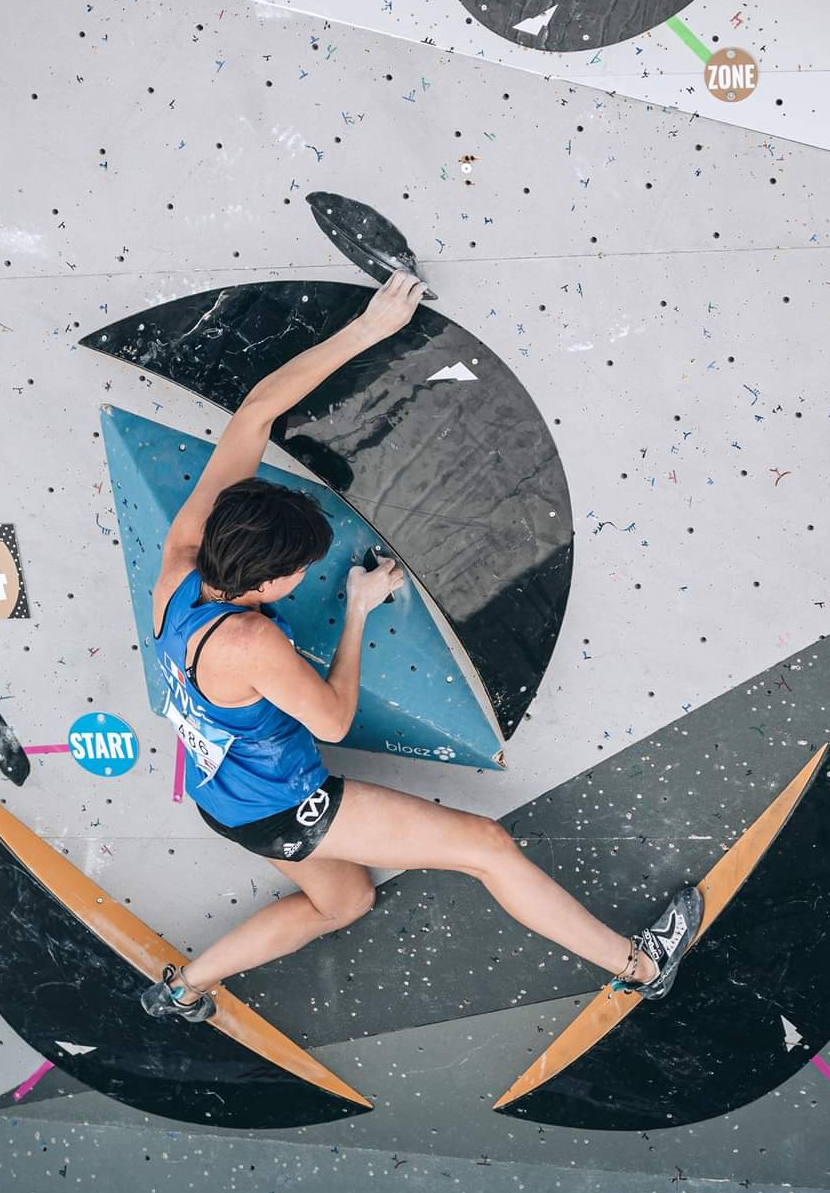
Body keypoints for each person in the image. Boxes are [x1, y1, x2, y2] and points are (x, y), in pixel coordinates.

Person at [141, 272, 702, 1024]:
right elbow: (334, 722)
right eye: (301, 571)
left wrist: (370, 329)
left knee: (346, 902)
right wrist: (357, 611)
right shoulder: (248, 641)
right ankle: (641, 967)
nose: (307, 575)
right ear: (270, 583)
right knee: (486, 847)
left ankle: (183, 989)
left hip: (223, 799)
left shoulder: (180, 567)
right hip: (282, 806)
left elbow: (257, 410)